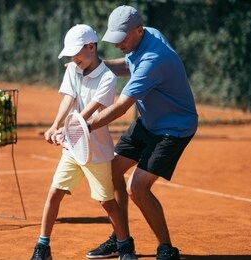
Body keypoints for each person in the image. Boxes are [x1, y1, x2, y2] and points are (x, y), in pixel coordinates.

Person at [85, 5, 198, 260]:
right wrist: (95, 66)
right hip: (150, 122)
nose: (117, 44)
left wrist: (84, 126)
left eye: (121, 39)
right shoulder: (145, 37)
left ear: (138, 30)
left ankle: (166, 249)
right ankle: (120, 238)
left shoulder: (153, 59)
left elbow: (122, 107)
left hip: (174, 129)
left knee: (137, 188)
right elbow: (126, 66)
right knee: (112, 170)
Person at [30, 24, 138, 260]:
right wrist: (55, 125)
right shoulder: (73, 69)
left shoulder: (107, 78)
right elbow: (68, 100)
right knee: (54, 193)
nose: (72, 58)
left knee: (107, 203)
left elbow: (89, 113)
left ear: (91, 46)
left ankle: (125, 247)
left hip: (96, 152)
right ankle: (42, 247)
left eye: (76, 52)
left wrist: (67, 131)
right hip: (72, 150)